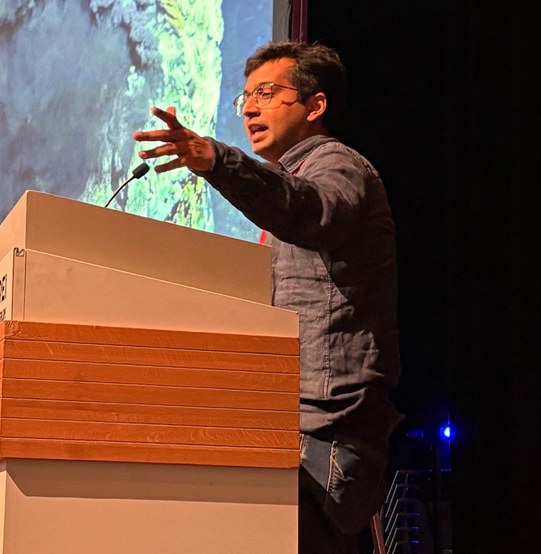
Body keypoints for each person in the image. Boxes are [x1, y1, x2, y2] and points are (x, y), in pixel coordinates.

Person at [133, 41, 402, 553]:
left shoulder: (338, 165)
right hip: (285, 426)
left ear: (315, 106)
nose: (250, 108)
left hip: (325, 433)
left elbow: (314, 211)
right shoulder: (286, 183)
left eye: (266, 93)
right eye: (245, 98)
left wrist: (217, 160)